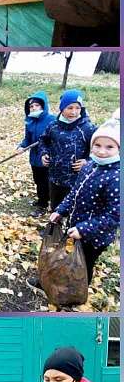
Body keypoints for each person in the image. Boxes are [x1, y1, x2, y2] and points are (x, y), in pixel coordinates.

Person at [42, 116, 120, 286]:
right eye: (97, 145)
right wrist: (60, 210)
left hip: (94, 237)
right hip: (75, 226)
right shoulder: (89, 166)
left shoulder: (116, 177)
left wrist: (83, 230)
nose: (101, 151)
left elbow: (115, 216)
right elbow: (74, 193)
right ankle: (61, 285)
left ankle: (76, 294)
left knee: (83, 265)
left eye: (110, 147)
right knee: (69, 257)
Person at [38, 89, 96, 210]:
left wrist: (88, 162)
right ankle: (54, 228)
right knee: (55, 208)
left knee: (73, 210)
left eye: (77, 108)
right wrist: (43, 154)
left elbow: (100, 150)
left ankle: (70, 228)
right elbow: (43, 140)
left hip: (76, 181)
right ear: (62, 108)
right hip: (55, 178)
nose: (74, 112)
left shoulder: (88, 128)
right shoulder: (53, 126)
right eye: (69, 108)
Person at [17, 91, 57, 214]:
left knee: (45, 182)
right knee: (38, 180)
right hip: (34, 157)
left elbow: (56, 138)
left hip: (46, 158)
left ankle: (44, 205)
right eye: (31, 106)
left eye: (37, 105)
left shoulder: (52, 120)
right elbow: (27, 138)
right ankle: (42, 199)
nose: (34, 108)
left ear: (43, 106)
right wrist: (22, 146)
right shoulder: (30, 121)